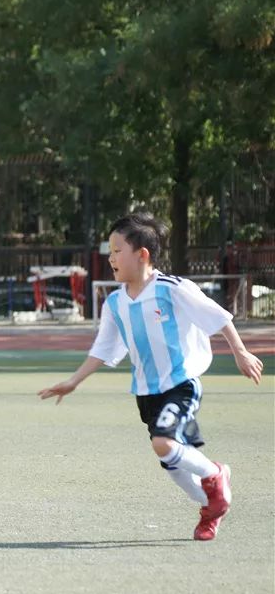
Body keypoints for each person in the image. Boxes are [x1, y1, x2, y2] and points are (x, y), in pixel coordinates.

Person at [38, 213, 264, 541]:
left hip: (181, 384)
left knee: (163, 444)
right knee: (172, 463)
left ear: (142, 254)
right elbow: (102, 349)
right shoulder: (114, 303)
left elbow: (218, 317)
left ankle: (216, 474)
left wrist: (241, 352)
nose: (111, 258)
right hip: (146, 392)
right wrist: (74, 381)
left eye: (117, 250)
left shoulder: (172, 289)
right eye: (109, 252)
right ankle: (210, 506)